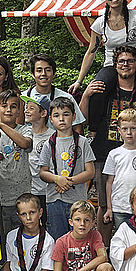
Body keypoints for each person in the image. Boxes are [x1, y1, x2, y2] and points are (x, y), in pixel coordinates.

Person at [79, 45, 136, 244]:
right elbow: (82, 120)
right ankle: (104, 249)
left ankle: (134, 247)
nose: (125, 65)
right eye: (121, 61)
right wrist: (86, 94)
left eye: (130, 61)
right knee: (105, 205)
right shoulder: (105, 90)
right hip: (106, 152)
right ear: (115, 65)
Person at [69, 0, 136, 137]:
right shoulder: (99, 24)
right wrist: (79, 80)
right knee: (97, 89)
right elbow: (91, 52)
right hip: (111, 65)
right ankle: (93, 133)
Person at [39, 98, 95, 240]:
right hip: (54, 199)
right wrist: (58, 179)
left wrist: (68, 182)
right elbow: (43, 172)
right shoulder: (48, 144)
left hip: (77, 201)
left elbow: (90, 171)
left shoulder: (82, 142)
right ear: (51, 119)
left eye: (66, 114)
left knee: (79, 237)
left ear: (74, 116)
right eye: (57, 115)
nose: (62, 119)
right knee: (57, 239)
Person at [0, 89, 33, 234]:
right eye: (4, 106)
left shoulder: (25, 130)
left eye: (13, 106)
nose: (8, 110)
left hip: (22, 197)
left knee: (21, 237)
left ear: (19, 112)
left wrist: (1, 125)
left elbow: (25, 144)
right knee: (0, 237)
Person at [2, 194, 55, 271]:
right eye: (23, 214)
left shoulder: (48, 240)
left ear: (40, 212)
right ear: (18, 216)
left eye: (32, 212)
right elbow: (8, 263)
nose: (28, 218)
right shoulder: (11, 236)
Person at [22, 54, 85, 133]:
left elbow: (77, 127)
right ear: (33, 74)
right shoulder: (23, 97)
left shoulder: (66, 98)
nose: (43, 74)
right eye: (39, 70)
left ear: (54, 73)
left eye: (48, 70)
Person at [21, 94, 54, 210]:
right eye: (26, 107)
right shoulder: (22, 134)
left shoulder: (52, 137)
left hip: (46, 191)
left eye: (31, 108)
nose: (26, 111)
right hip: (26, 190)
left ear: (43, 113)